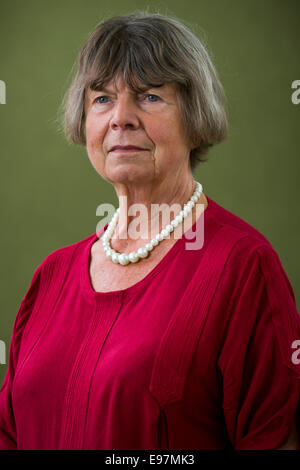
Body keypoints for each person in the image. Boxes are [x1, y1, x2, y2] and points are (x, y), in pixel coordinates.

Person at [0, 12, 299, 451]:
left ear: (194, 116)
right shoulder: (53, 274)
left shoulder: (242, 266)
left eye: (149, 97)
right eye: (102, 98)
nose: (122, 118)